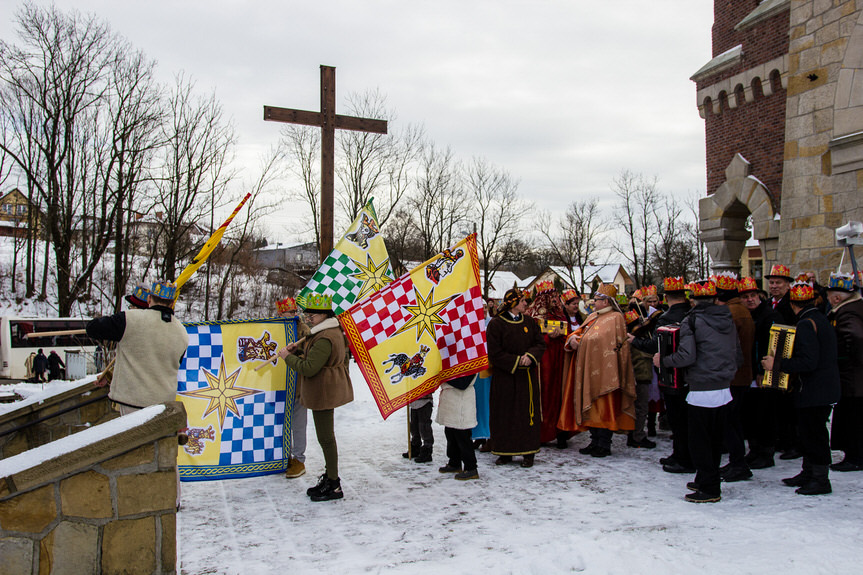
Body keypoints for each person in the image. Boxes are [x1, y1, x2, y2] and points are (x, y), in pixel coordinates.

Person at [656, 279, 742, 503]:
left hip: (702, 387)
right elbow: (737, 352)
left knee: (700, 441)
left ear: (693, 299)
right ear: (715, 298)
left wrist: (663, 361)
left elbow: (687, 356)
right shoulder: (727, 318)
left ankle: (710, 487)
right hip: (723, 386)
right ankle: (706, 478)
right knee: (714, 439)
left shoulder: (692, 320)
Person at [762, 280, 840, 495]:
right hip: (823, 387)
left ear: (793, 304)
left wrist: (776, 365)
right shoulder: (819, 318)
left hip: (814, 389)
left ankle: (820, 479)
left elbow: (808, 362)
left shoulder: (806, 323)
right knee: (809, 432)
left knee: (814, 434)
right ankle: (809, 472)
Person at [278, 292, 353, 502]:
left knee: (326, 438)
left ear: (324, 314)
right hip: (324, 389)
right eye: (307, 314)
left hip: (324, 391)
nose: (308, 317)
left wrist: (288, 357)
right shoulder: (323, 332)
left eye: (313, 314)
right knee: (325, 437)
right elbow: (313, 358)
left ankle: (333, 483)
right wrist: (299, 349)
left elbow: (310, 368)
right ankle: (330, 478)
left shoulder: (326, 337)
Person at [86, 281, 189, 415]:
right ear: (171, 304)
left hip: (132, 403)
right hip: (163, 407)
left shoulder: (130, 319)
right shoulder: (182, 333)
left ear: (149, 298)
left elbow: (92, 328)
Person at [558, 283, 636, 458]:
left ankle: (604, 443)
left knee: (604, 406)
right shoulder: (593, 316)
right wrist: (573, 339)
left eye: (597, 300)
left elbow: (610, 343)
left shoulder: (615, 318)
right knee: (590, 406)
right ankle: (594, 441)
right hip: (588, 367)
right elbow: (579, 332)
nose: (594, 303)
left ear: (607, 301)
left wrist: (583, 341)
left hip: (606, 371)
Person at [630, 277, 695, 473]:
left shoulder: (665, 318)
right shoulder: (691, 314)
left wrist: (634, 341)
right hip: (690, 372)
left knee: (677, 417)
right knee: (686, 416)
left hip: (670, 371)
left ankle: (683, 456)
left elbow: (655, 345)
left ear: (665, 297)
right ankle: (681, 453)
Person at [486, 288, 546, 468]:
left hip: (526, 378)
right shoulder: (496, 324)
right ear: (513, 303)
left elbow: (540, 344)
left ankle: (528, 453)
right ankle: (504, 452)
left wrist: (531, 356)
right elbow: (494, 353)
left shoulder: (530, 322)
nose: (526, 304)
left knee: (526, 414)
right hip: (505, 378)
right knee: (504, 414)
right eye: (522, 301)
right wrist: (516, 360)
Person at [714, 272, 755, 483]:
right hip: (741, 374)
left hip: (733, 376)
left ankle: (738, 463)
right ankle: (737, 461)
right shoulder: (741, 310)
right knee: (734, 420)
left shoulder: (730, 313)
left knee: (730, 421)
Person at [738, 277, 783, 469]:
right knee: (752, 414)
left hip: (766, 373)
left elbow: (772, 346)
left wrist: (761, 369)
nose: (750, 300)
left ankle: (766, 452)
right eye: (745, 297)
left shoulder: (770, 316)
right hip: (751, 373)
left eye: (753, 295)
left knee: (766, 413)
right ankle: (755, 450)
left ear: (759, 296)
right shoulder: (749, 316)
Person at [525, 280, 572, 448]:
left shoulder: (560, 314)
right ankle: (542, 433)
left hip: (559, 361)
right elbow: (529, 339)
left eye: (555, 296)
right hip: (542, 364)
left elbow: (568, 334)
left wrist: (562, 336)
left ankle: (560, 432)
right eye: (550, 297)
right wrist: (548, 337)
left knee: (560, 395)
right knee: (543, 397)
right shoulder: (532, 314)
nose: (554, 300)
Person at [824, 273, 863, 472]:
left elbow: (854, 337)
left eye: (829, 296)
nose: (828, 300)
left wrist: (842, 358)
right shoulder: (855, 308)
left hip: (853, 377)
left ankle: (855, 456)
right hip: (854, 376)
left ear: (837, 298)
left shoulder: (847, 313)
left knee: (853, 417)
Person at [764, 263, 801, 461]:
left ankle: (793, 443)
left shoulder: (792, 304)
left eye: (778, 282)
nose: (774, 286)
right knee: (776, 401)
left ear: (788, 285)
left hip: (787, 356)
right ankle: (782, 438)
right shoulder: (770, 303)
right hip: (773, 355)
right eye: (772, 282)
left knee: (789, 403)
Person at [276, 296, 313, 478]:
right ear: (280, 313)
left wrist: (295, 352)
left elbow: (309, 358)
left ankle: (299, 459)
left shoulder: (303, 331)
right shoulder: (272, 328)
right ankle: (283, 457)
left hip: (297, 386)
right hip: (277, 386)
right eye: (288, 312)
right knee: (280, 424)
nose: (292, 314)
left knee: (298, 425)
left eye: (293, 311)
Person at [436, 374, 479, 480]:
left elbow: (462, 383)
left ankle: (471, 467)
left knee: (462, 436)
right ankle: (454, 462)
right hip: (450, 399)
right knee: (450, 433)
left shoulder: (470, 361)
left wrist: (443, 377)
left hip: (461, 400)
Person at [625, 309, 656, 448]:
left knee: (640, 408)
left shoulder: (637, 339)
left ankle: (634, 434)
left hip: (640, 376)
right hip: (640, 376)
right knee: (641, 408)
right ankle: (637, 435)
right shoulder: (634, 342)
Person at [471, 299, 492, 451]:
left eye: (485, 308)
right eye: (481, 308)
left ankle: (489, 436)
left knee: (487, 403)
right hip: (476, 372)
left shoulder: (492, 324)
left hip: (489, 371)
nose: (484, 310)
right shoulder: (471, 325)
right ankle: (478, 435)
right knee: (476, 404)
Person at [403, 396, 434, 463]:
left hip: (425, 401)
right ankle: (415, 447)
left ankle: (427, 450)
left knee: (424, 427)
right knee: (414, 427)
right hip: (414, 401)